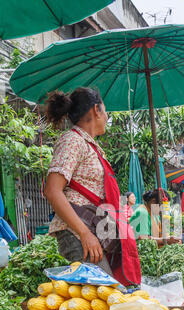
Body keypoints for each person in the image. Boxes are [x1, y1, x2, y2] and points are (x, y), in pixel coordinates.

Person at [44, 87, 141, 287]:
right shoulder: (72, 141)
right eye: (105, 111)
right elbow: (52, 190)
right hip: (77, 232)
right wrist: (84, 234)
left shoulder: (91, 146)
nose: (106, 116)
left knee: (109, 297)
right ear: (96, 110)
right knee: (107, 297)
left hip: (91, 231)